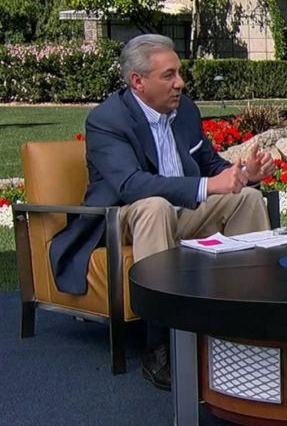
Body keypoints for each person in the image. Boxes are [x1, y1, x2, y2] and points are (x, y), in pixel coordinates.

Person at [49, 34, 275, 391]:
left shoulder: (183, 110)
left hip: (179, 210)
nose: (179, 83)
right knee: (153, 207)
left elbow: (209, 165)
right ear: (137, 81)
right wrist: (205, 187)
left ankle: (246, 323)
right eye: (168, 75)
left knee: (246, 199)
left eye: (179, 73)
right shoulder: (107, 120)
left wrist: (244, 175)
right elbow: (130, 186)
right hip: (119, 219)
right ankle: (160, 344)